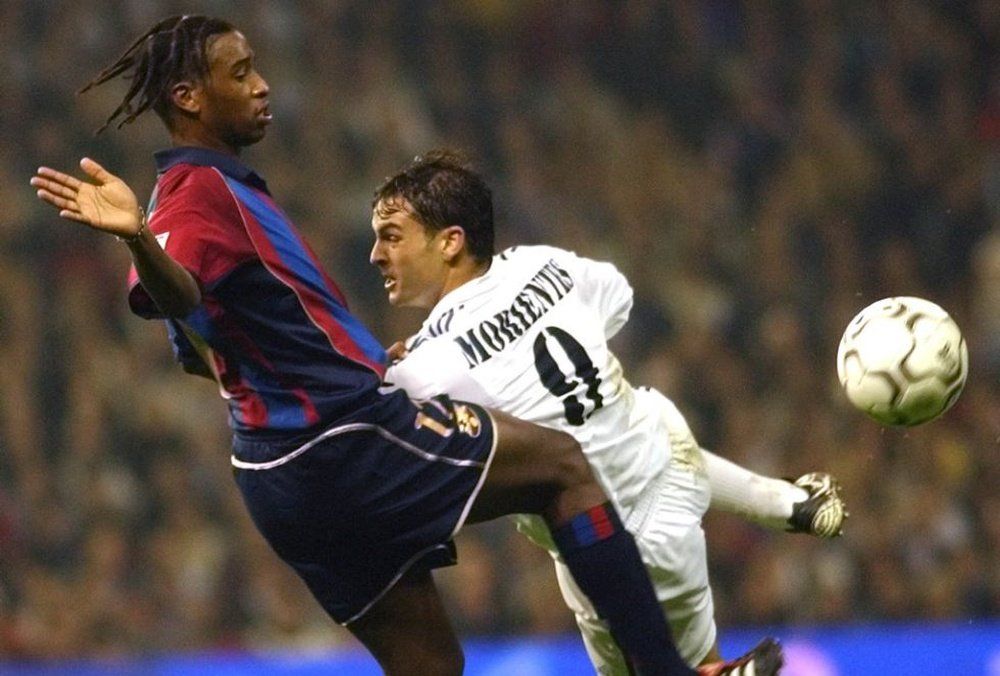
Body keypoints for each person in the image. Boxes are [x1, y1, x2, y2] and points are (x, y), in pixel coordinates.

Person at [27, 15, 780, 676]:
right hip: (342, 436)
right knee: (562, 469)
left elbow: (197, 345)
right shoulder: (195, 197)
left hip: (275, 474)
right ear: (189, 97)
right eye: (240, 73)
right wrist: (138, 243)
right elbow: (179, 291)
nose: (262, 86)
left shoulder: (213, 191)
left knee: (429, 663)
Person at [370, 150, 847, 673]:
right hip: (666, 458)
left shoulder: (427, 367)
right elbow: (616, 296)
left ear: (450, 241)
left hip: (613, 545)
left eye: (391, 235)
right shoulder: (541, 263)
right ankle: (784, 503)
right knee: (634, 414)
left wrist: (404, 368)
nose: (376, 254)